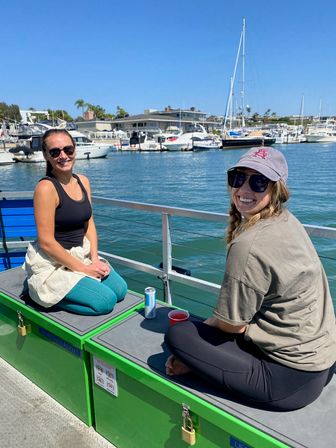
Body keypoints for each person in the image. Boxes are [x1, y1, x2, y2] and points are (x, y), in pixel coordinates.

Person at [165, 147, 336, 411]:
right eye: (237, 178)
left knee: (179, 335)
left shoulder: (249, 244)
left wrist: (193, 354)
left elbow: (232, 326)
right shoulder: (287, 221)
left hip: (288, 380)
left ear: (276, 189)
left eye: (258, 181)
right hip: (323, 361)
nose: (244, 189)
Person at [24, 129, 127, 315]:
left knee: (120, 290)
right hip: (55, 261)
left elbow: (89, 224)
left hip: (82, 253)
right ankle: (40, 294)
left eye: (68, 150)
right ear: (47, 155)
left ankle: (65, 290)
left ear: (75, 150)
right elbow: (46, 243)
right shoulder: (46, 188)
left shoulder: (83, 181)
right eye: (55, 152)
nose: (63, 156)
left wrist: (94, 259)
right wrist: (84, 270)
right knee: (106, 301)